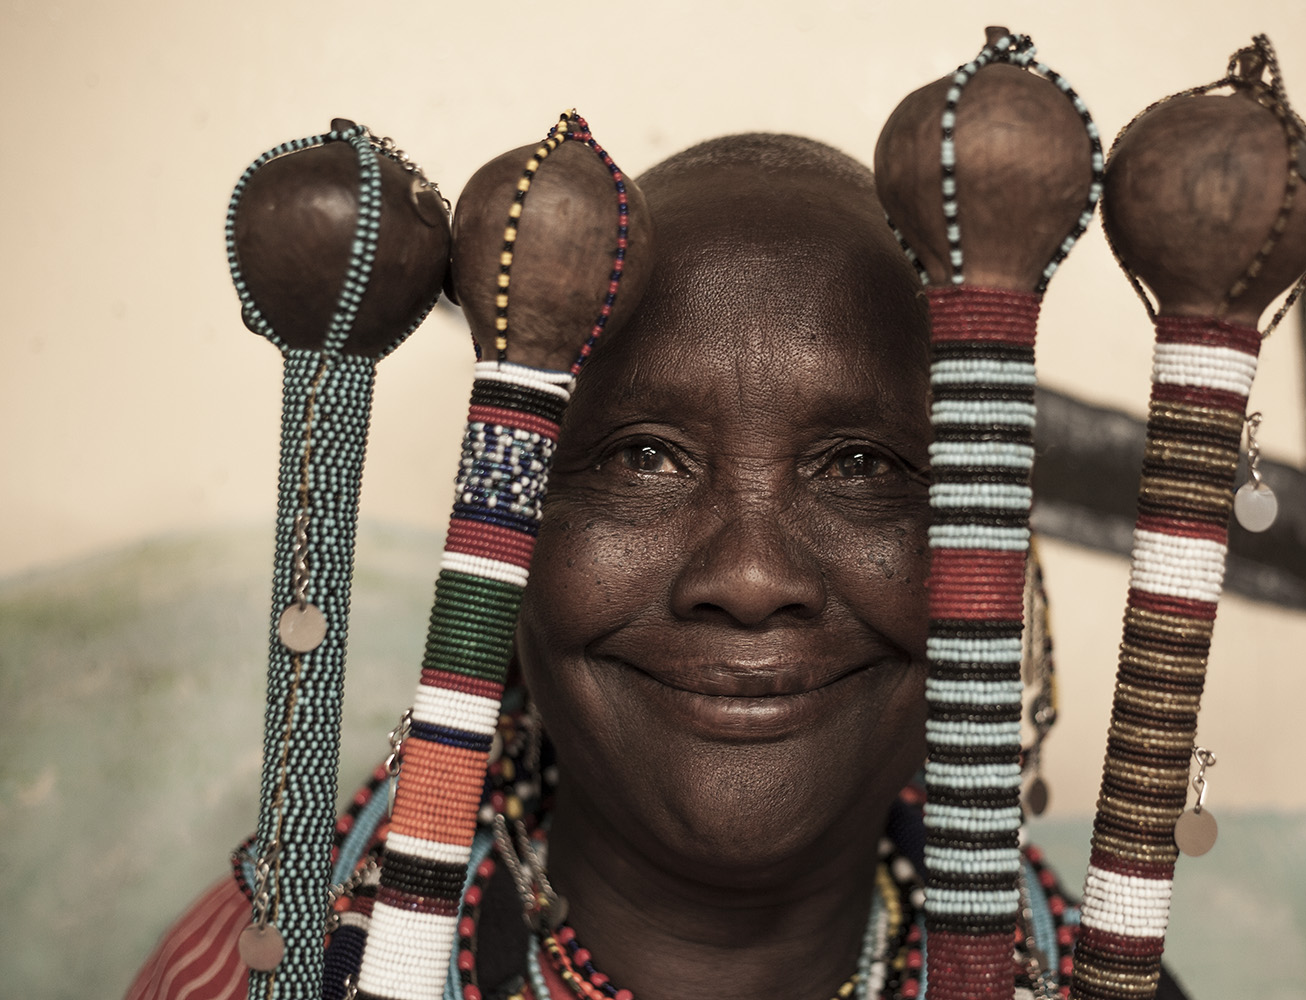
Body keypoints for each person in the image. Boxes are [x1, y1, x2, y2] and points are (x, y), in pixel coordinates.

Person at [128, 133, 1188, 1000]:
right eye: (643, 456)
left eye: (859, 463)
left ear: (993, 556)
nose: (751, 573)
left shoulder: (1090, 975)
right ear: (511, 538)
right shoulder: (254, 974)